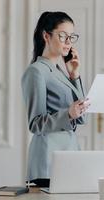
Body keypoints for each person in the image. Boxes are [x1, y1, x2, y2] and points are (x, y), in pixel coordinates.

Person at [21, 11, 90, 187]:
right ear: (46, 35)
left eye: (71, 37)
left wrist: (74, 75)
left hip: (69, 153)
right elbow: (35, 123)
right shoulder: (36, 71)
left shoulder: (60, 71)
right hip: (48, 156)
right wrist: (67, 114)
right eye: (63, 36)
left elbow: (82, 117)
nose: (68, 42)